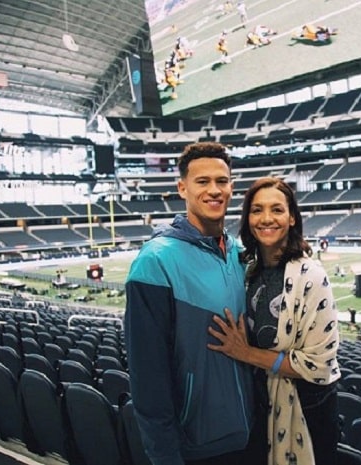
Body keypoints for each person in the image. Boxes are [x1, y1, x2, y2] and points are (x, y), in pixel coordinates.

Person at [124, 142, 260, 465]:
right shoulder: (154, 262)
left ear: (231, 187)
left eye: (222, 181)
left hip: (250, 436)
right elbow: (148, 381)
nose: (214, 190)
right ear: (182, 187)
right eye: (203, 182)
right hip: (198, 448)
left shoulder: (239, 252)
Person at [208, 177, 341, 465]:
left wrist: (246, 353)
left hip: (307, 409)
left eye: (277, 210)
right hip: (258, 404)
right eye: (257, 210)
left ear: (292, 217)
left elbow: (318, 366)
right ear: (247, 219)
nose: (266, 218)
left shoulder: (312, 276)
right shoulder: (246, 271)